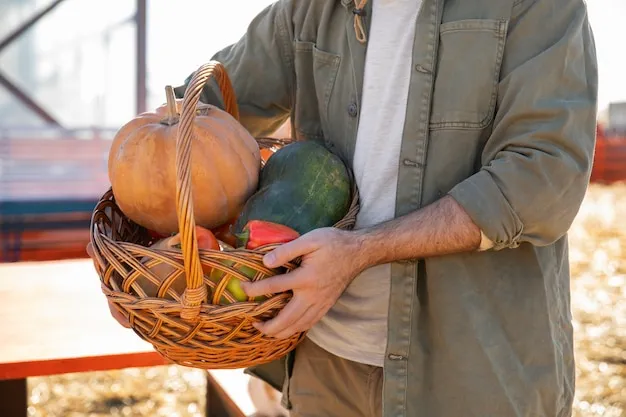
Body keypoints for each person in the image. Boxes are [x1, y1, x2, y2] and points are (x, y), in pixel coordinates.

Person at [93, 0, 599, 416]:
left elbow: (543, 177)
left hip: (477, 373)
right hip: (323, 364)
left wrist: (361, 251)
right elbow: (194, 119)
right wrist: (144, 255)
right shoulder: (310, 9)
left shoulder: (536, 7)